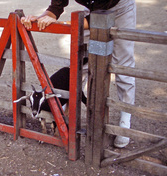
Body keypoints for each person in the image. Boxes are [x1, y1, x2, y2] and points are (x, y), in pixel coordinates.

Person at [21, 0, 136, 148]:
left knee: (123, 63)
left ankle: (125, 121)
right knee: (81, 61)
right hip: (92, 10)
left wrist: (67, 24)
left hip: (119, 8)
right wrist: (43, 18)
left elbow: (100, 13)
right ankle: (67, 113)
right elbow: (56, 7)